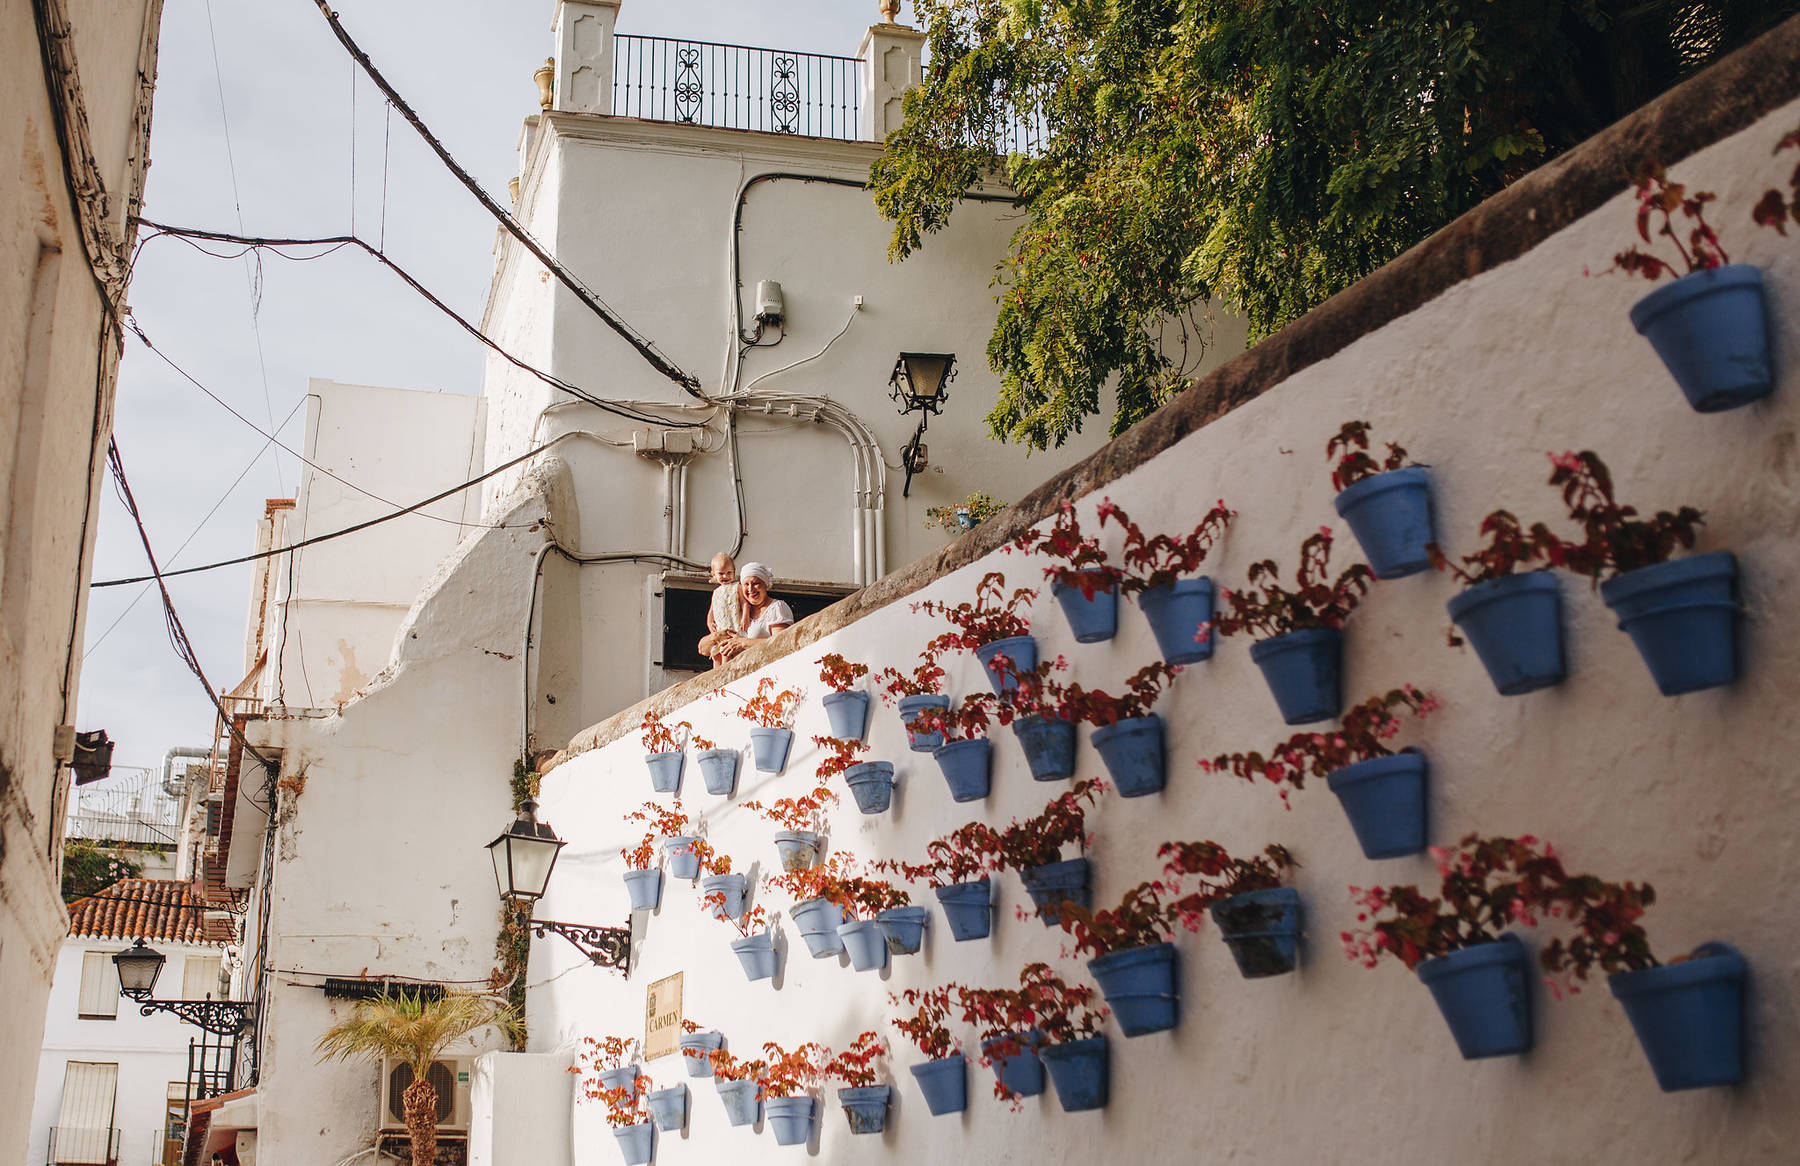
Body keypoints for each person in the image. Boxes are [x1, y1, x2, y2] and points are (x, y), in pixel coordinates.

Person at [710, 562, 793, 664]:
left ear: (765, 585)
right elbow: (702, 648)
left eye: (755, 583)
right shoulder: (738, 612)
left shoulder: (776, 608)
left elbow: (781, 644)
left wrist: (742, 643)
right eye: (746, 584)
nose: (750, 589)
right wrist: (716, 637)